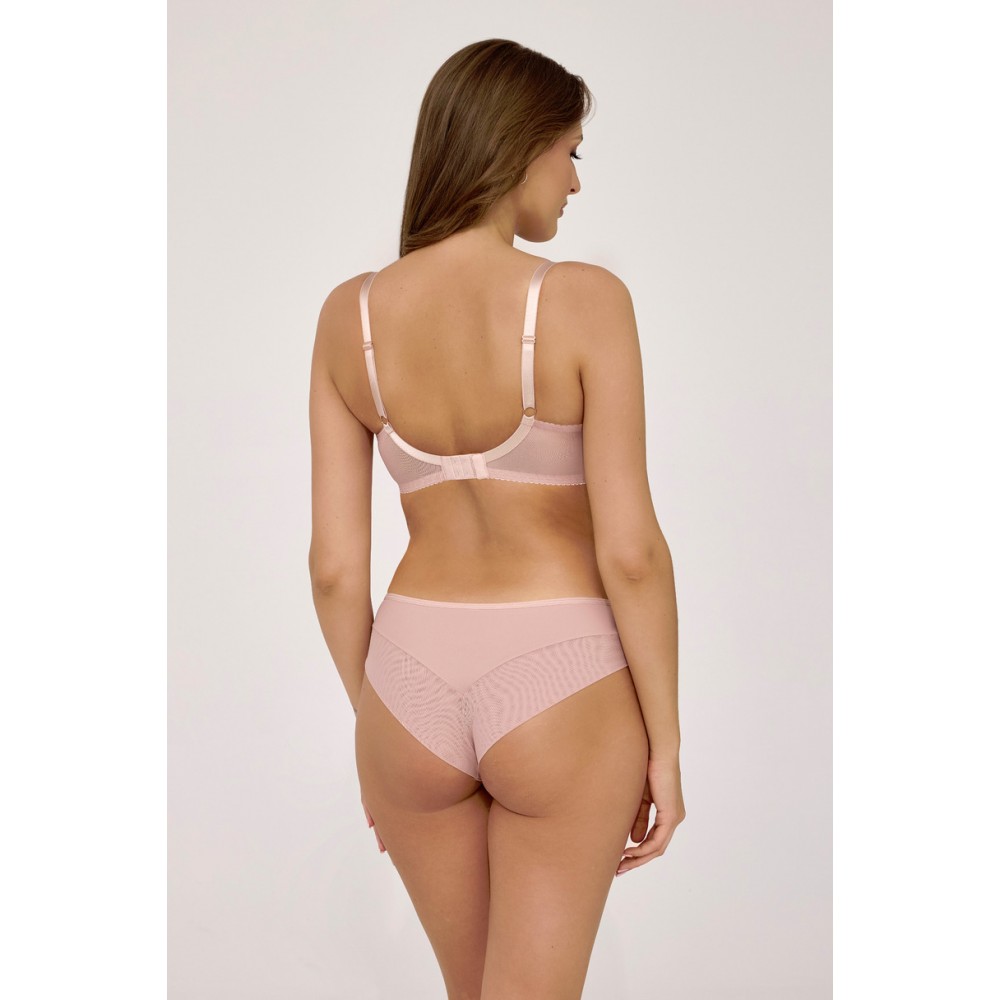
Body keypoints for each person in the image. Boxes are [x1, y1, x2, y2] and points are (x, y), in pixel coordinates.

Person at [308, 38, 684, 1000]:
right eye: (570, 151)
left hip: (406, 684)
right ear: (518, 147)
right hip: (561, 678)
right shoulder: (584, 300)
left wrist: (383, 727)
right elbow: (632, 552)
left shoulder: (349, 318)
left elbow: (335, 570)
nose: (575, 181)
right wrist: (667, 744)